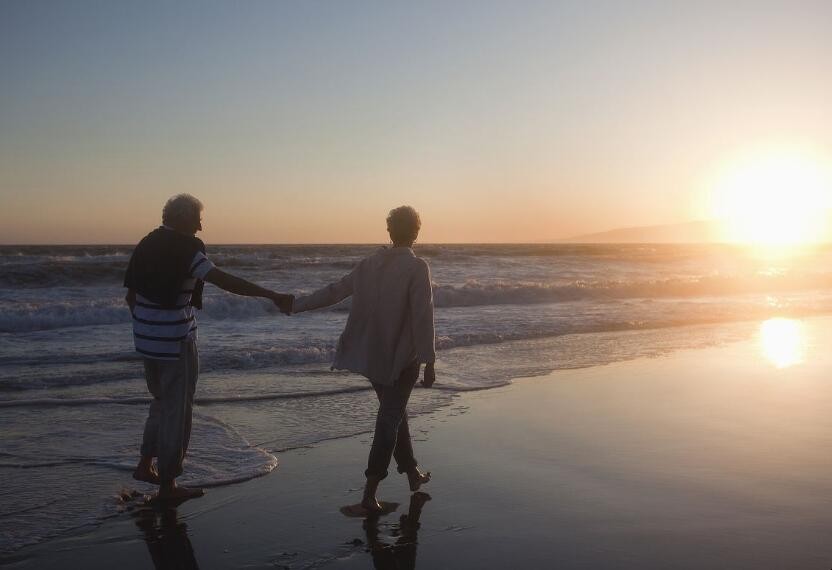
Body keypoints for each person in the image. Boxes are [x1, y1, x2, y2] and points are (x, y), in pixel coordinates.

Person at [124, 194, 292, 500]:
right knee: (178, 410)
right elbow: (223, 280)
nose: (201, 226)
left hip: (146, 340)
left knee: (161, 402)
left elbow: (130, 296)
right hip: (175, 340)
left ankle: (145, 464)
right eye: (198, 219)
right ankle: (168, 486)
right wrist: (271, 294)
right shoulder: (188, 247)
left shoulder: (146, 243)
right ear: (185, 219)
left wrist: (146, 326)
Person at [292, 206, 436, 513]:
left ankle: (412, 475)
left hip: (374, 356)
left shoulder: (369, 264)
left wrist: (295, 304)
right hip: (402, 360)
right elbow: (423, 316)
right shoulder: (416, 267)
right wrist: (429, 360)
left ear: (389, 231)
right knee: (389, 419)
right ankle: (370, 494)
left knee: (394, 414)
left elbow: (334, 292)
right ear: (416, 231)